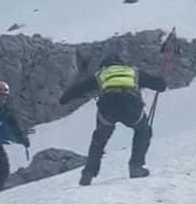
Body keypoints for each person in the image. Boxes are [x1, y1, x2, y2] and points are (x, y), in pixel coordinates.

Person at [58, 54, 167, 186]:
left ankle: (88, 173)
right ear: (121, 64)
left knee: (99, 139)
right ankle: (136, 167)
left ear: (104, 66)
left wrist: (64, 99)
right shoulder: (133, 71)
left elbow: (80, 88)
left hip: (108, 106)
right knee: (143, 130)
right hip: (130, 104)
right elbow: (159, 85)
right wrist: (161, 82)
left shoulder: (101, 75)